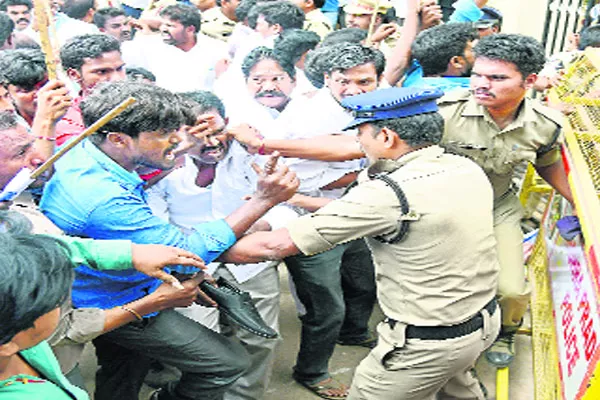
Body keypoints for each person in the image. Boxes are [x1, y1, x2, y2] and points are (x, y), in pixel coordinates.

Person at [221, 86, 501, 400]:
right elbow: (376, 212)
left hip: (426, 345)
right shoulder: (462, 167)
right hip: (480, 322)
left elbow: (275, 246)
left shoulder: (387, 193)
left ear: (387, 138)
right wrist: (299, 199)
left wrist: (203, 250)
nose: (358, 143)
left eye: (360, 135)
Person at [39, 81, 299, 400]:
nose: (177, 140)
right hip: (116, 298)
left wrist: (178, 147)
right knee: (227, 363)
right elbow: (182, 251)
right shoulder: (102, 198)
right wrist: (262, 200)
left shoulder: (89, 152)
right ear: (118, 139)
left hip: (105, 286)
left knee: (123, 371)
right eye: (164, 134)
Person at [147, 90, 295, 400]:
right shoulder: (161, 170)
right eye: (199, 135)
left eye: (216, 132)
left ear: (228, 123)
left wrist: (260, 222)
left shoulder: (255, 155)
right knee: (201, 345)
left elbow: (289, 206)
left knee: (259, 339)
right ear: (178, 135)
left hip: (252, 263)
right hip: (190, 265)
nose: (212, 143)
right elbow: (155, 228)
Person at [437, 33, 573, 367]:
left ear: (528, 81)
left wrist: (583, 206)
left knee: (512, 288)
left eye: (497, 78)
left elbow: (548, 164)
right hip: (441, 208)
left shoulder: (546, 124)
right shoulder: (443, 112)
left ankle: (506, 330)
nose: (482, 84)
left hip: (497, 206)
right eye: (478, 74)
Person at [0, 224, 210, 400]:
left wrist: (129, 254)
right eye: (54, 300)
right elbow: (68, 328)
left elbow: (47, 250)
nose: (63, 301)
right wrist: (151, 303)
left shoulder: (19, 337)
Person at [122, 3, 229, 92]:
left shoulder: (217, 49)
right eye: (163, 24)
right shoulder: (146, 46)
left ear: (190, 29)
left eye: (170, 26)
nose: (163, 29)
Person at [55, 33, 126, 145]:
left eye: (120, 69)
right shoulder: (68, 124)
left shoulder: (145, 106)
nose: (117, 79)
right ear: (74, 74)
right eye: (102, 72)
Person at [405, 22, 478, 92]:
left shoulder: (416, 72)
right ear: (456, 61)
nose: (480, 53)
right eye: (474, 50)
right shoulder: (463, 94)